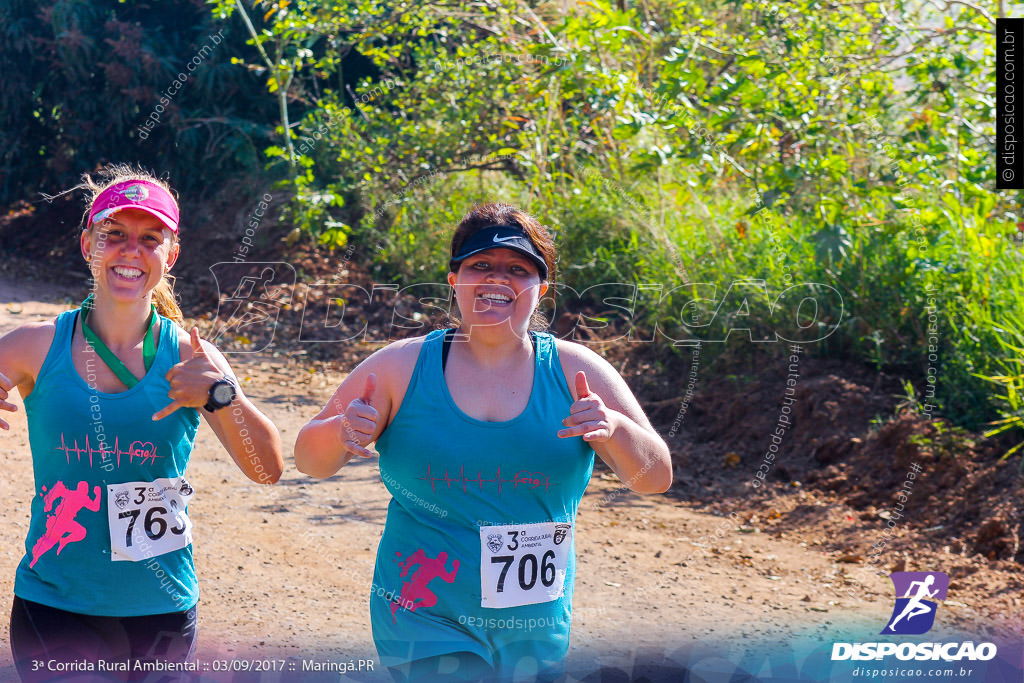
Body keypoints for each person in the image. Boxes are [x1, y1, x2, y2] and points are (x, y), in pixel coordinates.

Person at [295, 202, 672, 682]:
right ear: (454, 279)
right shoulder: (400, 367)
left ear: (543, 289)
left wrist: (614, 430)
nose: (498, 279)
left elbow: (656, 478)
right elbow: (310, 459)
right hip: (422, 613)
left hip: (534, 620)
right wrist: (341, 432)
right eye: (481, 266)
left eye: (518, 269)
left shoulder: (579, 371)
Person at [0, 165, 284, 682]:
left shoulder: (191, 358)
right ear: (88, 242)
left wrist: (221, 396)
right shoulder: (33, 347)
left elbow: (267, 470)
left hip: (161, 610)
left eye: (149, 239)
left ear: (170, 255)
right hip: (54, 604)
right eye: (114, 234)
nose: (130, 251)